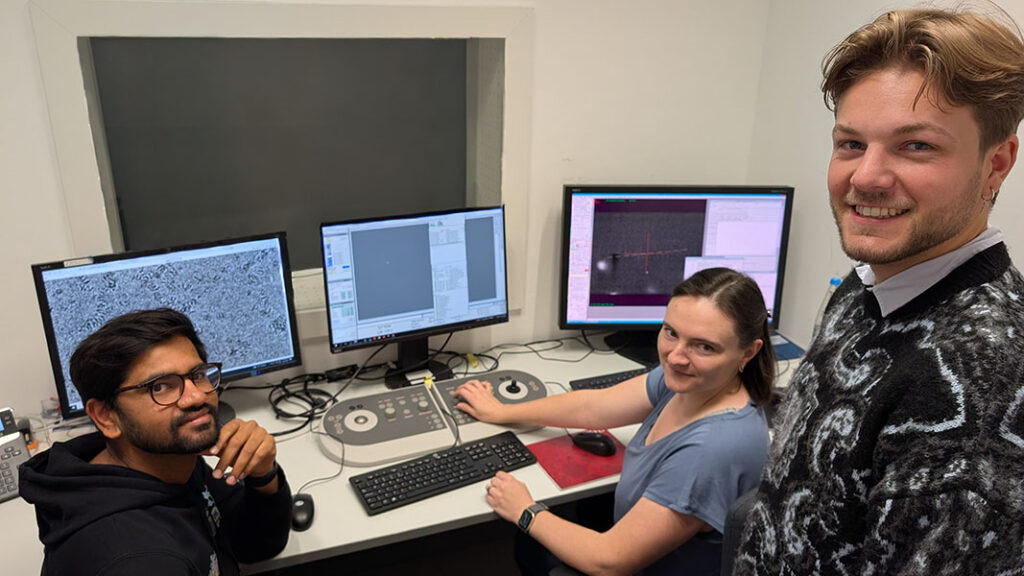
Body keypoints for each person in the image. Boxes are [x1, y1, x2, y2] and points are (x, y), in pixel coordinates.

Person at [734, 6, 1024, 575]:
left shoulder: (979, 389)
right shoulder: (868, 283)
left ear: (997, 163)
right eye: (850, 144)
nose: (865, 177)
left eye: (916, 146)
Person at [456, 267, 774, 576]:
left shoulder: (711, 451)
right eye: (671, 332)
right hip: (637, 540)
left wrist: (525, 511)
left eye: (704, 346)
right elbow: (594, 407)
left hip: (626, 561)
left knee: (530, 547)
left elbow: (610, 561)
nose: (676, 356)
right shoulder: (694, 383)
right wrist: (501, 412)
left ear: (748, 352)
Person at [20, 308, 292, 575]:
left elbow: (254, 545)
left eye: (197, 375)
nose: (196, 397)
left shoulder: (171, 460)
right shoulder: (139, 561)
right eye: (160, 387)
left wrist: (262, 474)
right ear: (106, 416)